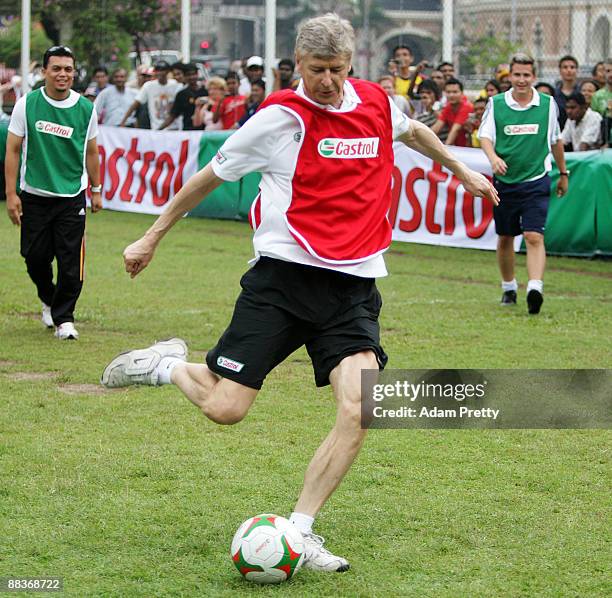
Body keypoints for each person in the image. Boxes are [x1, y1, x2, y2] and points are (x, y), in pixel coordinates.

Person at [100, 13, 497, 571]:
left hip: (354, 284)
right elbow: (208, 177)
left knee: (361, 407)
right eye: (317, 70)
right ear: (298, 64)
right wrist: (151, 235)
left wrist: (462, 170)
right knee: (226, 407)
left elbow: (414, 131)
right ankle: (164, 366)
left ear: (352, 63)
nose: (328, 81)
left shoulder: (376, 103)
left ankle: (301, 529)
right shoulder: (278, 119)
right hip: (283, 281)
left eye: (337, 69)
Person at [5, 45, 102, 340]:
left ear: (74, 73)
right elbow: (12, 149)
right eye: (57, 68)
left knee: (71, 262)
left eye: (68, 69)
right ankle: (48, 299)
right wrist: (11, 194)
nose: (63, 74)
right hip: (34, 195)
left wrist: (96, 190)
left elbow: (93, 151)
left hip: (72, 196)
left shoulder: (86, 108)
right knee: (34, 257)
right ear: (44, 71)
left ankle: (65, 319)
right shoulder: (27, 104)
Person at [478, 53, 568, 315]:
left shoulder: (547, 104)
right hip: (505, 183)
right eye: (516, 75)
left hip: (536, 180)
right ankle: (509, 286)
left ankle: (535, 288)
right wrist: (493, 158)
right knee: (506, 236)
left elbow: (556, 140)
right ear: (510, 76)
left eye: (526, 75)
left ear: (534, 77)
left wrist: (563, 173)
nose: (521, 80)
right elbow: (484, 136)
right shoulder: (497, 103)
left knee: (533, 235)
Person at [119, 61, 181, 130]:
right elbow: (135, 104)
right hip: (156, 128)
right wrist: (123, 121)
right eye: (157, 70)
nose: (160, 73)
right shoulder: (149, 86)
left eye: (162, 70)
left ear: (168, 71)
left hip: (174, 128)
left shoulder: (175, 85)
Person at [159, 63, 207, 130]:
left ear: (197, 74)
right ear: (184, 76)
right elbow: (173, 115)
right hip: (188, 132)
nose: (192, 77)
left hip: (205, 132)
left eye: (193, 74)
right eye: (188, 75)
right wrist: (158, 130)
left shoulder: (206, 91)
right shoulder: (181, 94)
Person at [431, 78, 473, 146]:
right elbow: (436, 128)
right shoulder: (448, 107)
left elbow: (455, 130)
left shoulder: (467, 107)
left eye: (455, 92)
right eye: (448, 92)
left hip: (471, 149)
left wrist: (445, 149)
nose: (451, 95)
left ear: (462, 93)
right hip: (458, 148)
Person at [554, 55, 580, 130]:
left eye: (572, 67)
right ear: (560, 70)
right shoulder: (554, 94)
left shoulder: (581, 92)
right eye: (565, 67)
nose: (569, 70)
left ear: (577, 70)